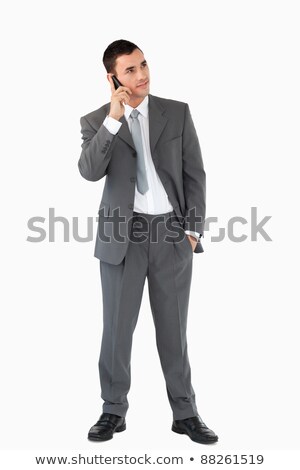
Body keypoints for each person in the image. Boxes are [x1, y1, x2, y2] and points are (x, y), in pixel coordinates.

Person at [78, 39, 218, 445]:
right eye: (130, 71)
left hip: (171, 235)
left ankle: (185, 412)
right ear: (112, 79)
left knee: (173, 329)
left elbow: (195, 174)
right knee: (117, 330)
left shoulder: (177, 112)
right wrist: (114, 118)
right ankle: (112, 411)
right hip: (123, 237)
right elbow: (89, 171)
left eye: (143, 65)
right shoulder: (96, 121)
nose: (141, 76)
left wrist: (192, 232)